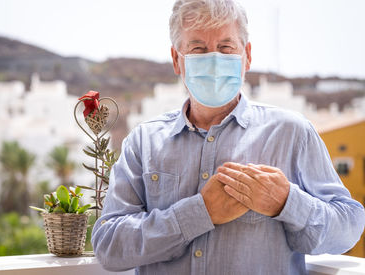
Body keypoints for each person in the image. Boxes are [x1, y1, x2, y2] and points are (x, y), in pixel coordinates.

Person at [91, 0, 365, 274]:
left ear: (246, 55)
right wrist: (199, 213)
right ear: (177, 60)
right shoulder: (143, 142)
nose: (214, 60)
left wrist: (287, 202)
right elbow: (108, 245)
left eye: (226, 47)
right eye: (198, 48)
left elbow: (348, 229)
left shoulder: (292, 133)